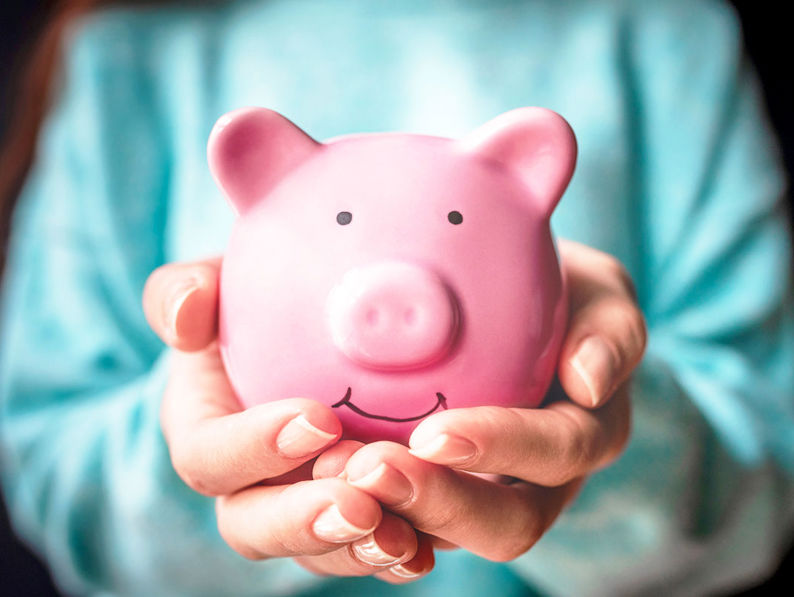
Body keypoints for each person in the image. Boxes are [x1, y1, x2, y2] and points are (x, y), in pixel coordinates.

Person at [1, 1, 792, 595]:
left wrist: (605, 438)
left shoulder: (667, 29)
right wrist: (202, 457)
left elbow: (772, 469)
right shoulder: (137, 46)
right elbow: (49, 463)